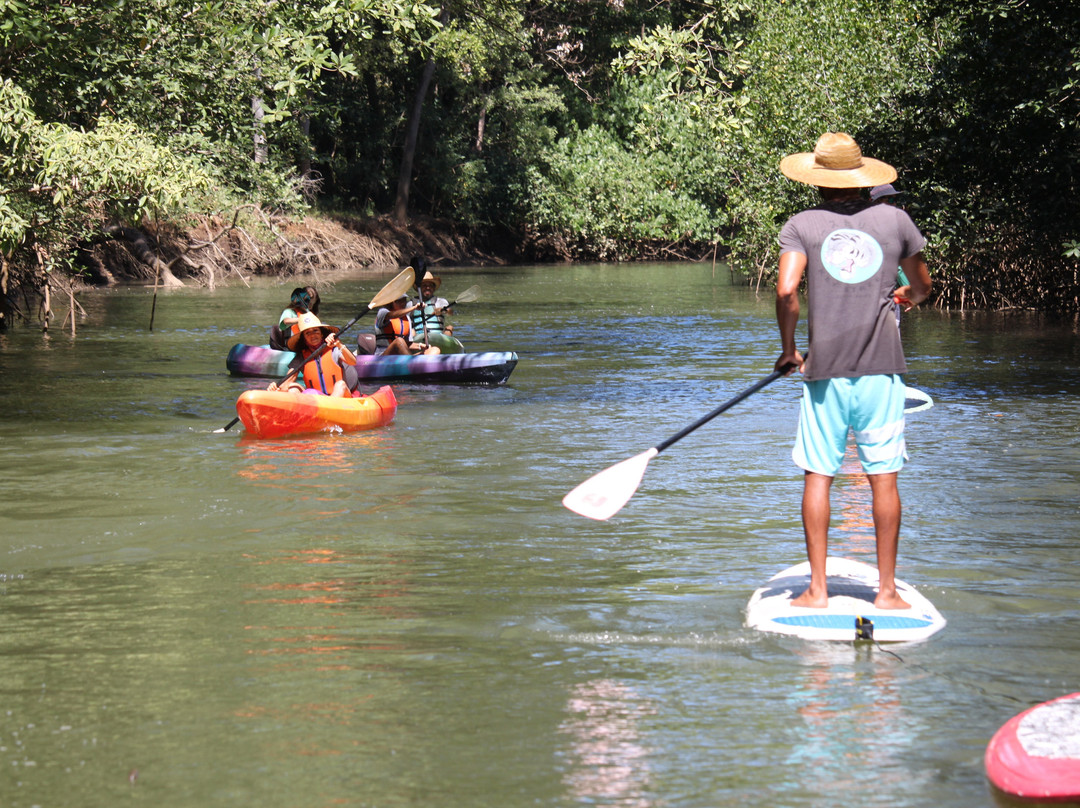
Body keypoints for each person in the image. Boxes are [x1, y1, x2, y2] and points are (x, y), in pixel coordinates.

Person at [773, 132, 932, 610]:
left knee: (818, 475)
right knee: (883, 477)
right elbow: (923, 287)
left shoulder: (801, 225)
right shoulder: (897, 220)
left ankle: (817, 591)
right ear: (863, 179)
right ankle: (887, 593)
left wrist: (788, 350)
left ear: (818, 180)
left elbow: (785, 292)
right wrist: (906, 296)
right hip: (882, 370)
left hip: (824, 371)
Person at [269, 312, 356, 396]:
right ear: (304, 338)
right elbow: (287, 382)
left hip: (341, 398)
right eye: (308, 333)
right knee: (292, 387)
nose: (313, 335)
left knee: (340, 384)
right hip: (316, 399)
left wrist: (339, 344)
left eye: (315, 331)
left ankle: (329, 407)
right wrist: (275, 388)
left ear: (322, 334)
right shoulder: (302, 357)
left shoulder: (334, 349)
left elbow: (352, 362)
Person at [410, 268, 464, 354]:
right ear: (419, 288)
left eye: (430, 285)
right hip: (418, 337)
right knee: (411, 330)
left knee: (449, 327)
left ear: (434, 288)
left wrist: (443, 310)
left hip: (438, 337)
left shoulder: (440, 301)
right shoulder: (411, 303)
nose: (427, 288)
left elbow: (450, 312)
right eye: (424, 285)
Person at [372, 295, 440, 356]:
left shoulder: (407, 318)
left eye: (404, 301)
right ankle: (411, 365)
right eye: (399, 301)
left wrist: (420, 346)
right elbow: (392, 315)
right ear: (391, 303)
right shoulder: (382, 312)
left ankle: (416, 366)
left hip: (401, 357)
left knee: (435, 350)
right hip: (382, 356)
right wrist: (414, 308)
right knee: (399, 341)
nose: (403, 304)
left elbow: (407, 344)